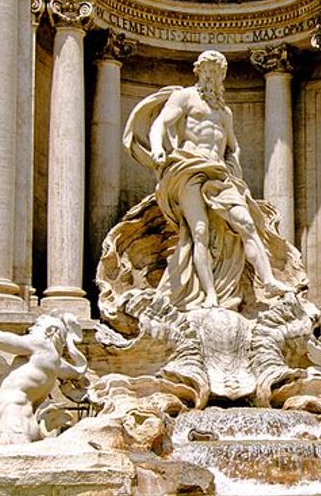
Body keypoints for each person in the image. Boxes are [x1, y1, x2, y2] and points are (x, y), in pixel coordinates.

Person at [122, 50, 297, 311]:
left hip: (219, 173)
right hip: (188, 167)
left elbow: (232, 146)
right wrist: (158, 147)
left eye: (216, 72)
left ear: (222, 76)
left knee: (247, 223)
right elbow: (160, 124)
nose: (211, 76)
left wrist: (234, 163)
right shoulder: (184, 97)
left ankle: (269, 281)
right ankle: (210, 295)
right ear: (198, 72)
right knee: (199, 232)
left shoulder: (224, 112)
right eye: (207, 70)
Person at [0, 288, 87, 445]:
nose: (31, 329)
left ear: (50, 331)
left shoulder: (41, 345)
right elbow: (76, 372)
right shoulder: (53, 362)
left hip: (12, 420)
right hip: (3, 422)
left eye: (38, 325)